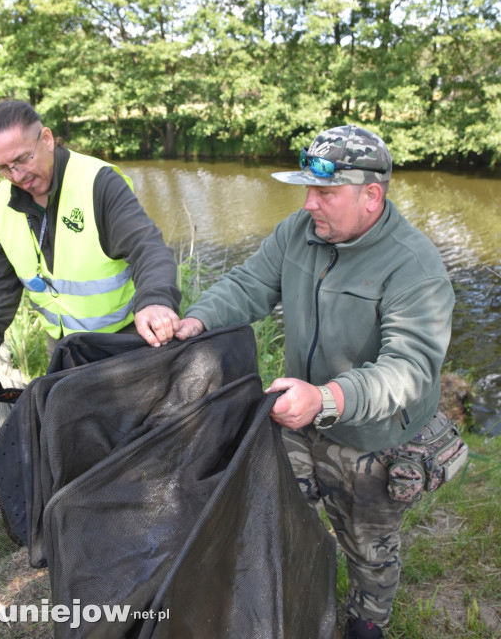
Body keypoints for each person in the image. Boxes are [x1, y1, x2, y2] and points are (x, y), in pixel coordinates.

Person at [175, 125, 455, 639]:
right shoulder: (297, 233)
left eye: (324, 192)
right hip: (296, 416)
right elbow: (249, 284)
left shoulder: (416, 268)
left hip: (372, 438)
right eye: (306, 189)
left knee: (369, 548)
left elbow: (410, 371)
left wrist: (327, 399)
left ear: (371, 196)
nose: (308, 204)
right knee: (278, 514)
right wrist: (197, 321)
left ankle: (367, 623)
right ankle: (292, 597)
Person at [0, 99, 181, 376]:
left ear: (46, 139)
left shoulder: (99, 184)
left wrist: (155, 301)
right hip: (63, 348)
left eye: (22, 159)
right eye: (4, 168)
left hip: (125, 342)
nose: (17, 176)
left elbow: (148, 248)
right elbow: (1, 287)